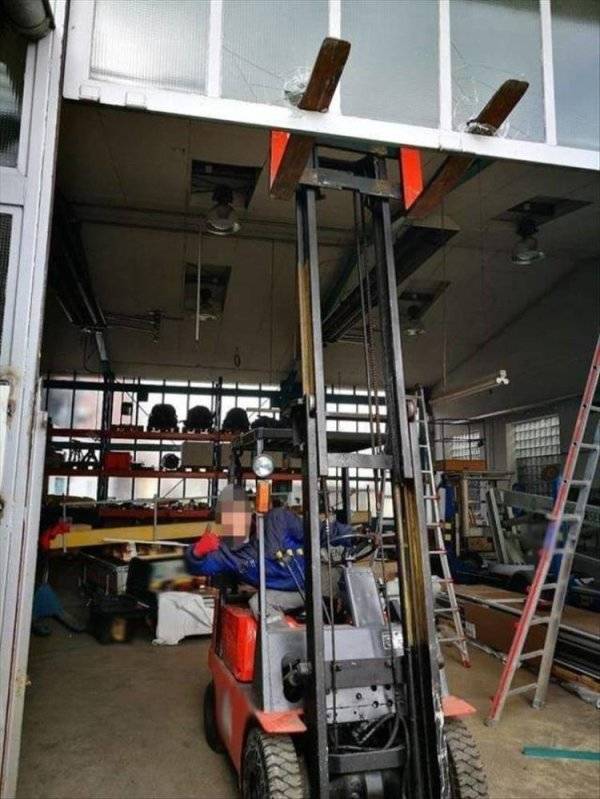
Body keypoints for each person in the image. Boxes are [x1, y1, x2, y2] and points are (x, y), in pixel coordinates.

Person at [185, 484, 351, 619]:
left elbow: (318, 531)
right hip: (290, 593)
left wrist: (353, 535)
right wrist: (197, 551)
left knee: (351, 579)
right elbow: (198, 566)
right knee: (259, 604)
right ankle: (287, 646)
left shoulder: (278, 519)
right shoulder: (227, 554)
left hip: (316, 578)